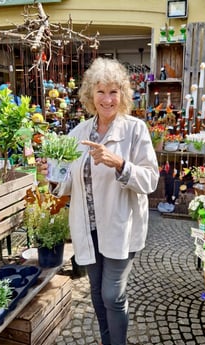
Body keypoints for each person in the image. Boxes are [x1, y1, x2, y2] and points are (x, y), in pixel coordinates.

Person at [43, 57, 159, 345]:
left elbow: (151, 179)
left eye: (113, 92)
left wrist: (119, 164)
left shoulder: (135, 130)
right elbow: (67, 182)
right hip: (87, 227)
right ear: (89, 95)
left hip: (121, 226)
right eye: (100, 91)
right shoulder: (78, 134)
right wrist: (52, 176)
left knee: (112, 294)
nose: (107, 99)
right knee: (95, 290)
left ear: (122, 95)